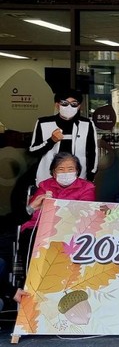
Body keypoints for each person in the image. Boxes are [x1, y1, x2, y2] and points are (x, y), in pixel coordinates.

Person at [14, 153, 96, 301]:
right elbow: (33, 214)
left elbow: (85, 212)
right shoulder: (45, 186)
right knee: (31, 237)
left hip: (71, 228)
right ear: (53, 172)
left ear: (77, 171)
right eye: (61, 169)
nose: (66, 173)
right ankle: (33, 286)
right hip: (42, 227)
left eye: (70, 169)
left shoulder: (87, 187)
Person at [29, 89, 98, 186]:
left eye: (74, 104)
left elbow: (93, 152)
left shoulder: (86, 124)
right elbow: (33, 151)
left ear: (79, 106)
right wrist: (51, 141)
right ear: (57, 105)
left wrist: (91, 176)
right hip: (47, 177)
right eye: (64, 103)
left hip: (78, 178)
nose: (69, 107)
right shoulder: (43, 123)